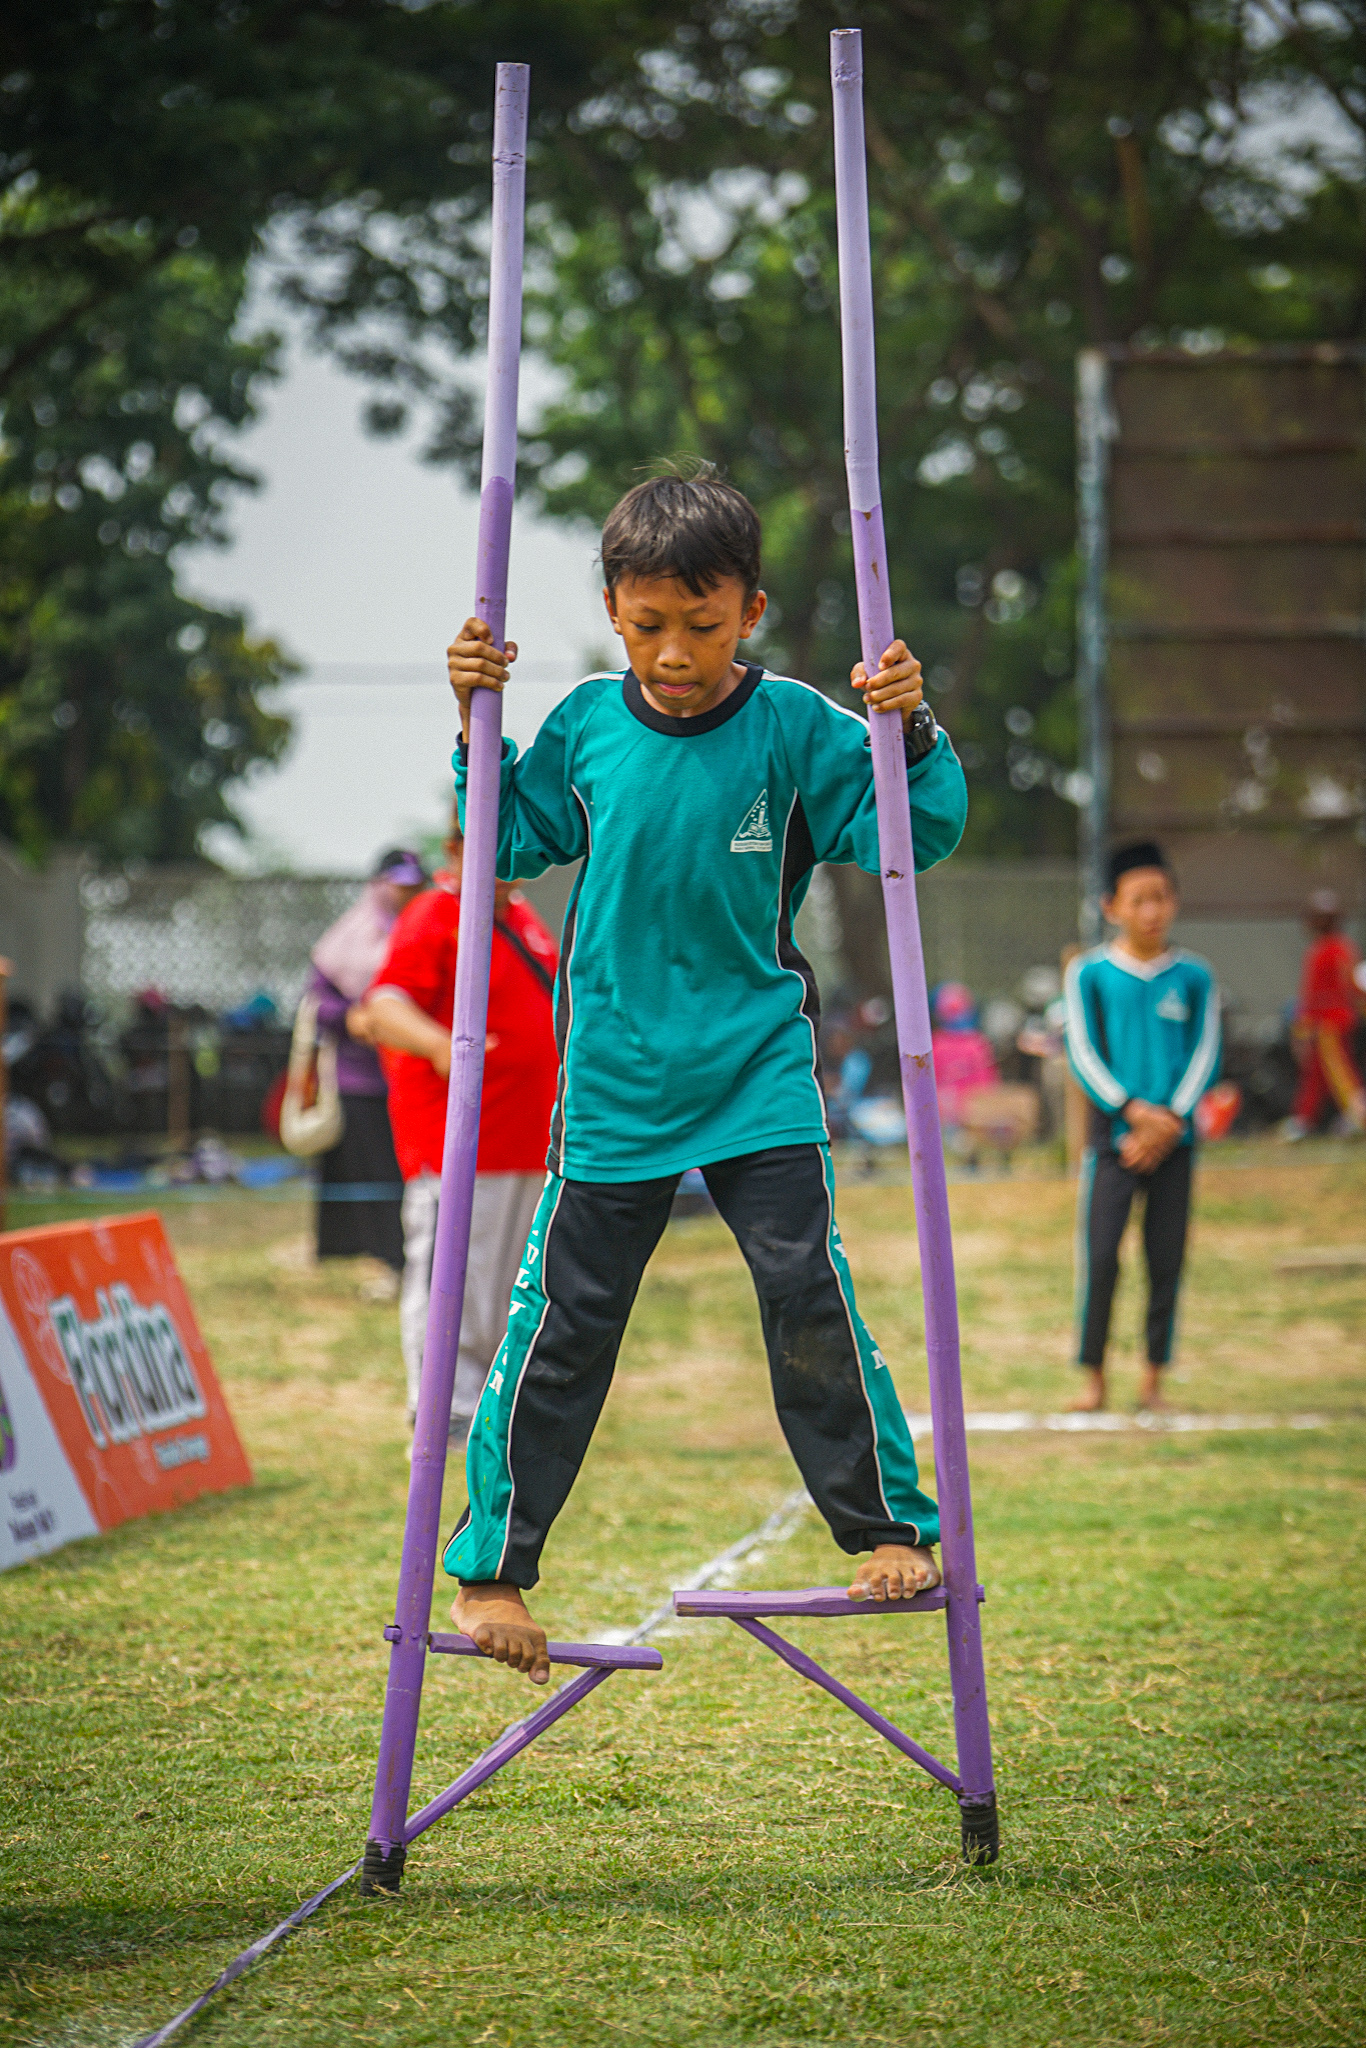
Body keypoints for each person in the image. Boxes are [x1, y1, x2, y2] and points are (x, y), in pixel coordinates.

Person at [442, 466, 968, 1684]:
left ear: (751, 612)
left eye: (702, 624)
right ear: (612, 614)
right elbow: (505, 842)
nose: (673, 653)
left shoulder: (791, 724)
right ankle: (492, 1566)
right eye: (646, 626)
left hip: (755, 1068)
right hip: (616, 1076)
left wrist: (911, 730)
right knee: (565, 1322)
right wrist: (475, 725)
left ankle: (887, 1526)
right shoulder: (586, 723)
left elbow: (915, 831)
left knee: (806, 1290)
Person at [351, 809, 559, 1447]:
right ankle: (441, 1405)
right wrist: (443, 1046)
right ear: (455, 846)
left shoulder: (520, 916)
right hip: (459, 1142)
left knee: (505, 1288)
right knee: (449, 1278)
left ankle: (488, 1401)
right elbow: (385, 1006)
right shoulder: (435, 914)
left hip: (527, 1141)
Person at [1064, 841, 1220, 1413]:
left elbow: (1206, 1052)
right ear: (1111, 906)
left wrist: (1169, 1121)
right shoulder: (1088, 973)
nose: (1152, 911)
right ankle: (1094, 1380)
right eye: (1139, 900)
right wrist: (1132, 1112)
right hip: (1112, 1143)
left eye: (1161, 898)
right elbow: (1083, 1051)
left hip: (1175, 1141)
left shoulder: (1196, 976)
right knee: (1102, 1258)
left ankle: (1153, 1380)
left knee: (1165, 1260)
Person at [306, 848, 425, 1275]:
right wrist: (351, 1018)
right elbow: (316, 1002)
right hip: (360, 1079)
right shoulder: (347, 937)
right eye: (398, 884)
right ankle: (377, 1254)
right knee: (368, 1170)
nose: (405, 894)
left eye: (413, 886)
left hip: (412, 1074)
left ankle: (406, 1255)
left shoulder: (424, 930)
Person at [1280, 890, 1366, 1140]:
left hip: (1331, 1025)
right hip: (1323, 1024)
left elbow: (1342, 988)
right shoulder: (1329, 949)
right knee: (1315, 1075)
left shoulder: (1334, 950)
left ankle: (1359, 1116)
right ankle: (1303, 1119)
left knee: (1340, 1072)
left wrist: (1303, 1025)